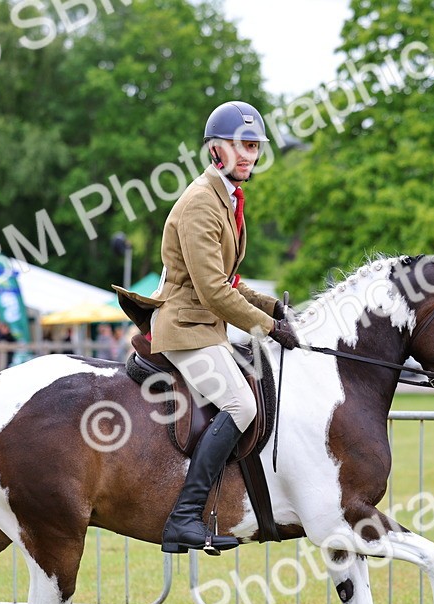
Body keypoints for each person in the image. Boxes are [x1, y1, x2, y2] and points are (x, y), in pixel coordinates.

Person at [113, 100, 299, 555]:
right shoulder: (201, 202)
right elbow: (214, 291)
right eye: (241, 146)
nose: (249, 156)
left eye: (254, 147)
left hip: (206, 326)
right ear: (216, 149)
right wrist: (268, 328)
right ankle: (183, 518)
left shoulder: (228, 199)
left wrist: (274, 307)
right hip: (184, 327)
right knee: (242, 406)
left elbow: (231, 281)